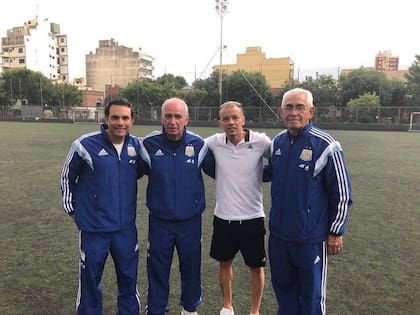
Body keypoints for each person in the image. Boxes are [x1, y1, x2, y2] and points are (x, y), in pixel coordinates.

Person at [266, 88, 353, 315]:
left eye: (299, 107)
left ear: (311, 111)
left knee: (312, 297)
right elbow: (270, 173)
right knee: (284, 293)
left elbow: (342, 192)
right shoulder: (278, 143)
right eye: (289, 107)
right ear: (281, 111)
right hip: (279, 237)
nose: (293, 112)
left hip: (309, 239)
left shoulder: (326, 145)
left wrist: (336, 231)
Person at [60, 98, 142, 315]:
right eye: (115, 117)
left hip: (125, 229)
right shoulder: (84, 144)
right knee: (90, 281)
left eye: (125, 118)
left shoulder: (136, 146)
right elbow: (67, 176)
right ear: (106, 118)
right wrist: (72, 208)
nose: (120, 122)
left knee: (128, 279)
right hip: (94, 229)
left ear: (132, 120)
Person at [138, 97, 214, 315]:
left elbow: (220, 170)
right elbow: (130, 168)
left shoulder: (199, 145)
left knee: (191, 266)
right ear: (161, 117)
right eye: (168, 116)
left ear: (186, 118)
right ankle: (156, 308)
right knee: (157, 268)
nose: (172, 121)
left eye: (177, 116)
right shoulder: (149, 144)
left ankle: (189, 309)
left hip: (190, 221)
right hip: (160, 221)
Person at [205, 101, 271, 315]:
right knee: (224, 264)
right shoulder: (214, 142)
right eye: (226, 119)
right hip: (224, 217)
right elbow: (187, 143)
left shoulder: (261, 142)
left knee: (256, 267)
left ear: (243, 119)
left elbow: (283, 156)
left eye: (235, 117)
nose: (231, 122)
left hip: (253, 217)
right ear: (220, 123)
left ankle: (255, 311)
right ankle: (227, 306)